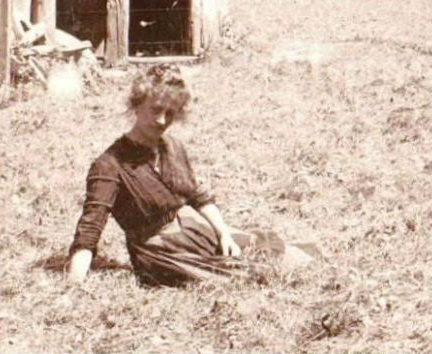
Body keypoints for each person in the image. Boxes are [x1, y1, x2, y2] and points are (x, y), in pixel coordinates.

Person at [66, 66, 301, 287]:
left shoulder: (171, 147)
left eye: (170, 113)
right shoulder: (109, 165)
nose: (161, 120)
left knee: (270, 249)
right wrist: (75, 283)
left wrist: (224, 233)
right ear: (136, 106)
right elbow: (90, 229)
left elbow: (198, 196)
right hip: (159, 250)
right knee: (245, 274)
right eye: (155, 109)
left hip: (192, 228)